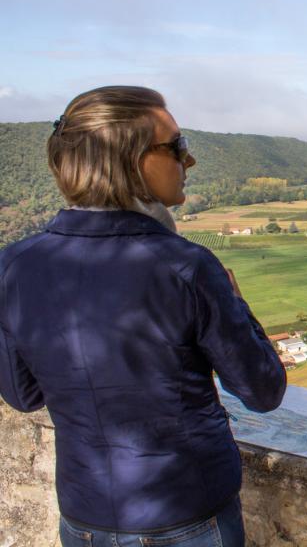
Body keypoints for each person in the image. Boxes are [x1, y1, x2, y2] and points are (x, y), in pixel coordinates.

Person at [0, 86, 287, 547]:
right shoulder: (185, 267)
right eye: (177, 147)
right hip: (189, 516)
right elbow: (263, 390)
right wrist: (237, 304)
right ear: (128, 160)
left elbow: (23, 393)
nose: (188, 161)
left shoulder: (14, 265)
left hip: (85, 517)